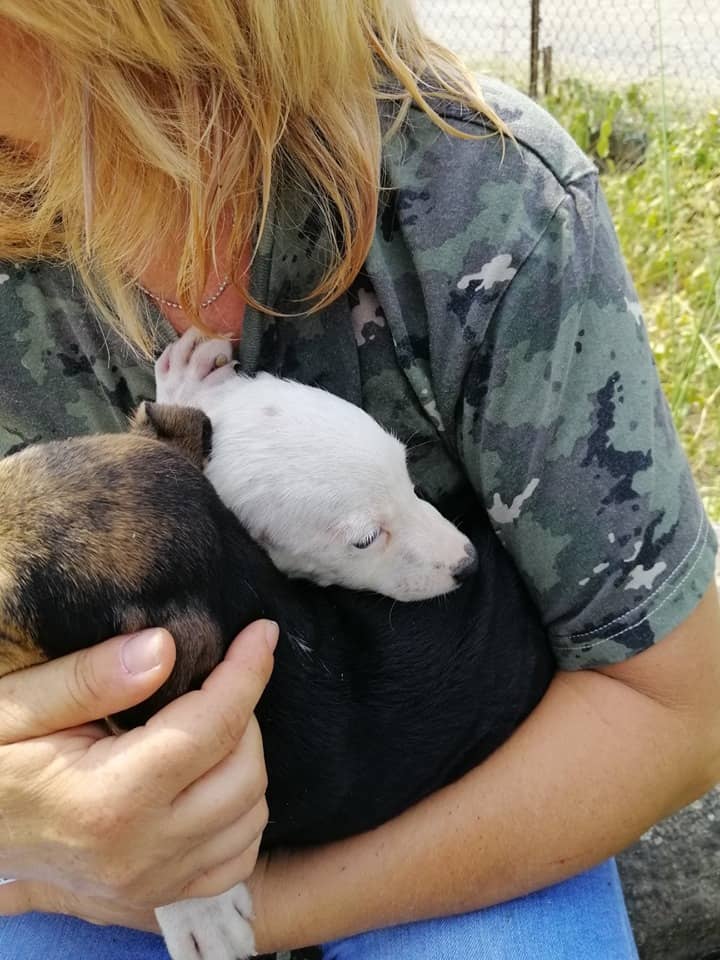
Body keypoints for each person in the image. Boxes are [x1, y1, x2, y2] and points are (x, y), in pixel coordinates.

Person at [0, 2, 718, 958]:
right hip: (85, 816)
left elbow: (677, 702)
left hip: (445, 788)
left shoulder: (484, 201)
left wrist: (260, 909)